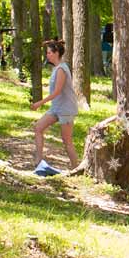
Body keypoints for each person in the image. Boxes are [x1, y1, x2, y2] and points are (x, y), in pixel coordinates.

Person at [31, 40, 79, 170]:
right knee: (38, 128)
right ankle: (39, 161)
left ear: (56, 53)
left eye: (49, 53)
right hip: (56, 108)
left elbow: (57, 92)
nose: (47, 55)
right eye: (47, 53)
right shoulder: (56, 68)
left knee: (67, 141)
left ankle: (77, 169)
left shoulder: (62, 70)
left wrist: (39, 103)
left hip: (66, 109)